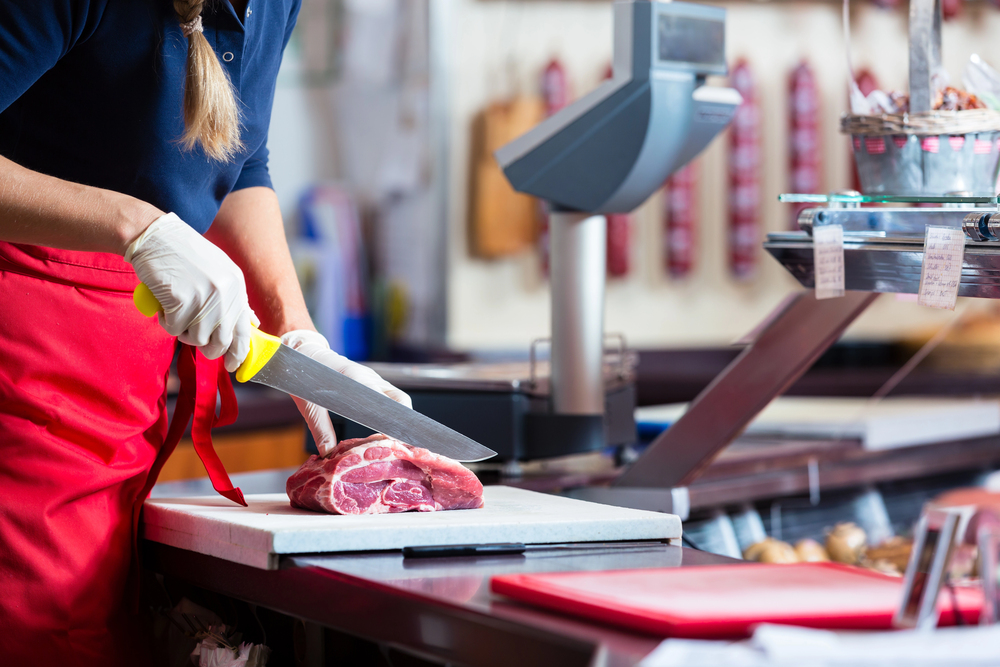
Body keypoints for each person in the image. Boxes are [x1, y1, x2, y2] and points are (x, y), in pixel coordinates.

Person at [0, 1, 410, 664]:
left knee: (95, 615)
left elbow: (239, 158)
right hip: (20, 355)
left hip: (123, 370)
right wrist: (134, 225)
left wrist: (296, 326)